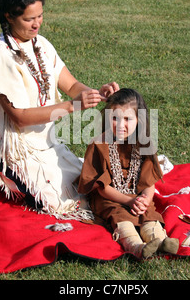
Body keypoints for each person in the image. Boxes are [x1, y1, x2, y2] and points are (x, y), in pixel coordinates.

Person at [0, 0, 119, 220]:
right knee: (65, 202)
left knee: (89, 182)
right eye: (29, 18)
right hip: (13, 143)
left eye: (40, 16)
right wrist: (73, 106)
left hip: (44, 139)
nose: (37, 23)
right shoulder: (0, 56)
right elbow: (20, 119)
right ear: (9, 17)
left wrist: (97, 93)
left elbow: (72, 86)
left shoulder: (41, 44)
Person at [77, 89, 179, 258]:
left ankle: (160, 240)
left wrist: (144, 200)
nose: (120, 124)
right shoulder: (99, 144)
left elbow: (149, 182)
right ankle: (136, 247)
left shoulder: (143, 144)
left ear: (138, 119)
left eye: (127, 119)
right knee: (120, 216)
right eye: (115, 118)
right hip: (108, 197)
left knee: (148, 214)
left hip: (135, 195)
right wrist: (129, 200)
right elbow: (103, 188)